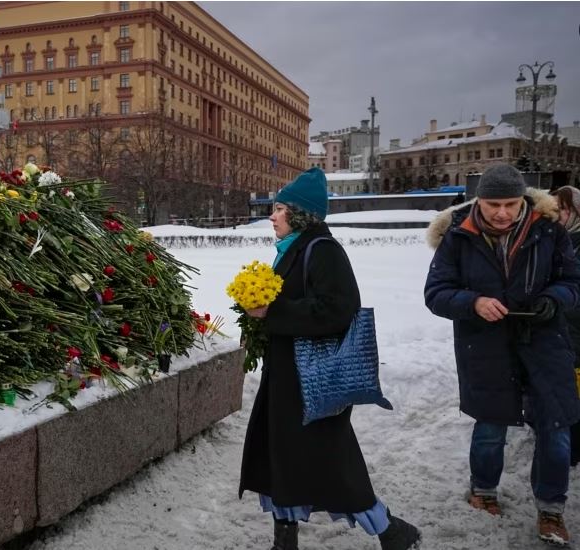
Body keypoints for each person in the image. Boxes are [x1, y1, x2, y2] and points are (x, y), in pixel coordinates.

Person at [239, 167, 421, 550]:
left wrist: (272, 313)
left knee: (333, 464)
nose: (272, 216)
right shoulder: (297, 248)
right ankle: (284, 539)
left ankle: (391, 531)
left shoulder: (324, 251)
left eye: (279, 208)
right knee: (281, 460)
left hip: (312, 380)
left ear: (300, 214)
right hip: (289, 377)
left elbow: (338, 310)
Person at [425, 164, 580, 546]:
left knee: (555, 428)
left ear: (523, 200)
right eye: (494, 204)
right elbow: (436, 292)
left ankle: (551, 509)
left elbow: (573, 282)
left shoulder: (550, 230)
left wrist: (554, 299)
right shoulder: (459, 236)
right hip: (485, 346)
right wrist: (472, 302)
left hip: (546, 344)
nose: (502, 213)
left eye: (511, 204)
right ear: (481, 201)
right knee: (490, 426)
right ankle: (483, 490)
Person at [553, 185, 580, 466]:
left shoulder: (574, 243)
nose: (556, 214)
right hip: (559, 334)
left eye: (562, 208)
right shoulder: (557, 240)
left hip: (573, 333)